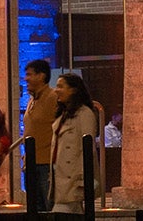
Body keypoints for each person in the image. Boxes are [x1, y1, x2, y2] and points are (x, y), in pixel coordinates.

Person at [47, 74, 101, 216]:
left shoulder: (85, 114)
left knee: (63, 213)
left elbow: (88, 150)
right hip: (61, 178)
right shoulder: (63, 115)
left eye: (60, 86)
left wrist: (83, 181)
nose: (56, 90)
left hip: (73, 181)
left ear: (73, 90)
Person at [21, 59, 58, 216]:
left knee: (49, 208)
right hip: (31, 163)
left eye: (29, 74)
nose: (26, 78)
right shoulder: (31, 100)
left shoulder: (53, 97)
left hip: (46, 164)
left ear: (41, 76)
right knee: (35, 210)